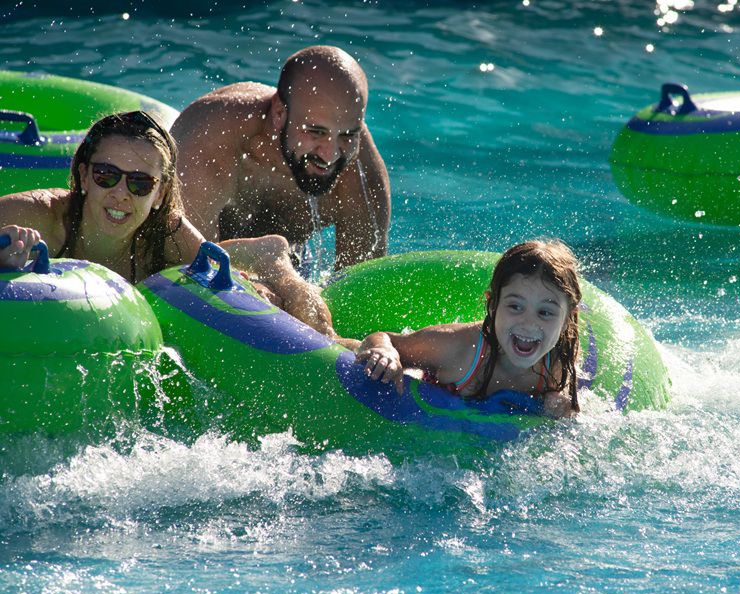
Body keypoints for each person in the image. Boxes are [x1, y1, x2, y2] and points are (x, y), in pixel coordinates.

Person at [0, 110, 341, 341]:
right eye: (106, 175)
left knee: (263, 295)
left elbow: (270, 318)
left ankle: (267, 254)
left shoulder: (165, 235)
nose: (120, 194)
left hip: (169, 265)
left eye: (139, 184)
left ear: (160, 193)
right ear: (85, 176)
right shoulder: (37, 217)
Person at [171, 45, 391, 273]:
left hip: (292, 261)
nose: (330, 155)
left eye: (347, 136)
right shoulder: (211, 141)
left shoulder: (362, 175)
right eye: (316, 132)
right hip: (217, 253)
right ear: (279, 114)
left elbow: (358, 288)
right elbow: (191, 270)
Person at [355, 240, 582, 418]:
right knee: (347, 344)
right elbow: (384, 338)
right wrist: (386, 352)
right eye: (515, 306)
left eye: (545, 312)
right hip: (429, 386)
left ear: (566, 320)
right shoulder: (460, 348)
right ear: (492, 305)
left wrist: (555, 397)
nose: (529, 324)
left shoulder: (559, 361)